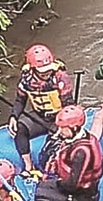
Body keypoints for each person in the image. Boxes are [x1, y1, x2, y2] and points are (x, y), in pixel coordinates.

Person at [8, 44, 75, 174]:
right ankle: (28, 166)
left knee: (53, 145)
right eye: (42, 71)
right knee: (20, 128)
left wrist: (63, 126)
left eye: (48, 70)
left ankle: (49, 167)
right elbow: (20, 100)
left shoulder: (60, 77)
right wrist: (13, 116)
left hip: (59, 116)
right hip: (39, 116)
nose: (46, 73)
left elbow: (68, 104)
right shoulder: (26, 79)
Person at [35, 105, 103, 201]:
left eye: (63, 128)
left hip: (81, 197)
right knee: (38, 185)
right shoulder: (84, 136)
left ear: (74, 128)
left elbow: (72, 185)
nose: (60, 131)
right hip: (71, 186)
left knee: (37, 194)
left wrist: (56, 183)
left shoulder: (81, 152)